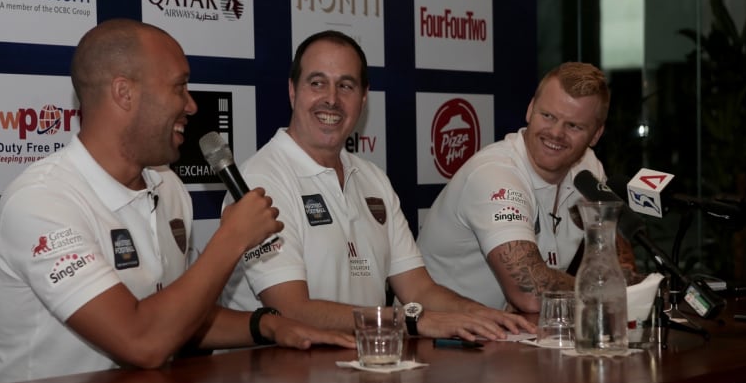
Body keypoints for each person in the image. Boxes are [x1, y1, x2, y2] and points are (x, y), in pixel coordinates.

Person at [0, 19, 354, 383]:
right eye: (179, 87)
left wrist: (268, 324)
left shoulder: (168, 188)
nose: (191, 105)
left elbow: (177, 316)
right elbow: (142, 341)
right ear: (124, 93)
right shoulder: (43, 201)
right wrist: (233, 238)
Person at [220, 30, 535, 340]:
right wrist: (412, 322)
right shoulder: (259, 182)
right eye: (317, 83)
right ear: (292, 91)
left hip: (363, 368)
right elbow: (291, 310)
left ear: (363, 97)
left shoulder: (372, 178)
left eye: (346, 85)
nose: (331, 99)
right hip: (278, 379)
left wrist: (480, 314)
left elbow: (418, 288)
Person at [416, 62, 637, 314]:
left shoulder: (588, 168)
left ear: (596, 135)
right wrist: (605, 293)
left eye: (574, 126)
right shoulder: (495, 173)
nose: (555, 133)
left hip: (516, 335)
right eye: (548, 116)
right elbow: (530, 293)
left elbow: (616, 260)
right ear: (530, 109)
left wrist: (623, 282)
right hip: (439, 338)